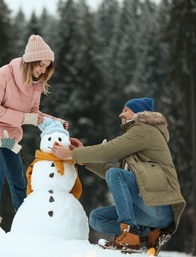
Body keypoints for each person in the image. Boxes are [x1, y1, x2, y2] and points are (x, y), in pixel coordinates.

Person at [51, 97, 186, 255]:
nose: (120, 115)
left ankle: (129, 236)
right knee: (97, 218)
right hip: (148, 209)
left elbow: (107, 151)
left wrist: (72, 155)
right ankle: (151, 233)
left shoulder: (144, 129)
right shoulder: (137, 136)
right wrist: (83, 159)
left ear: (138, 114)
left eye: (125, 110)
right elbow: (112, 170)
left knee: (115, 174)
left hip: (160, 206)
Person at [0, 35, 66, 231]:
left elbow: (34, 113)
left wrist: (54, 121)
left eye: (47, 66)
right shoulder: (2, 75)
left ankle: (26, 222)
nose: (43, 70)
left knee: (17, 177)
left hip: (9, 134)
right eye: (41, 65)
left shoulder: (36, 84)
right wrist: (26, 119)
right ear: (30, 61)